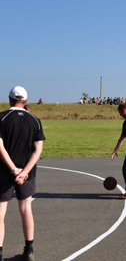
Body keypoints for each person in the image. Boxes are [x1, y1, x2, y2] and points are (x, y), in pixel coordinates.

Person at [0, 86, 46, 261]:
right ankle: (29, 250)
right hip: (27, 173)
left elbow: (0, 146)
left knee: (0, 213)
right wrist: (24, 172)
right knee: (26, 209)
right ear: (25, 101)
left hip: (3, 172)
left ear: (9, 99)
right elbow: (37, 150)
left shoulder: (1, 118)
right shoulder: (35, 120)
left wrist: (13, 169)